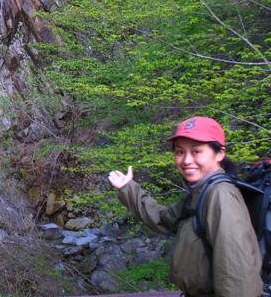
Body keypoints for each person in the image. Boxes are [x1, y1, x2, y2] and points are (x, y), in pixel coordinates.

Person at [108, 116, 263, 297]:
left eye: (196, 152)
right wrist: (128, 189)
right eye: (180, 152)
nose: (187, 160)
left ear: (220, 154)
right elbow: (164, 220)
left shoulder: (220, 195)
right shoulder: (200, 191)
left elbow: (238, 274)